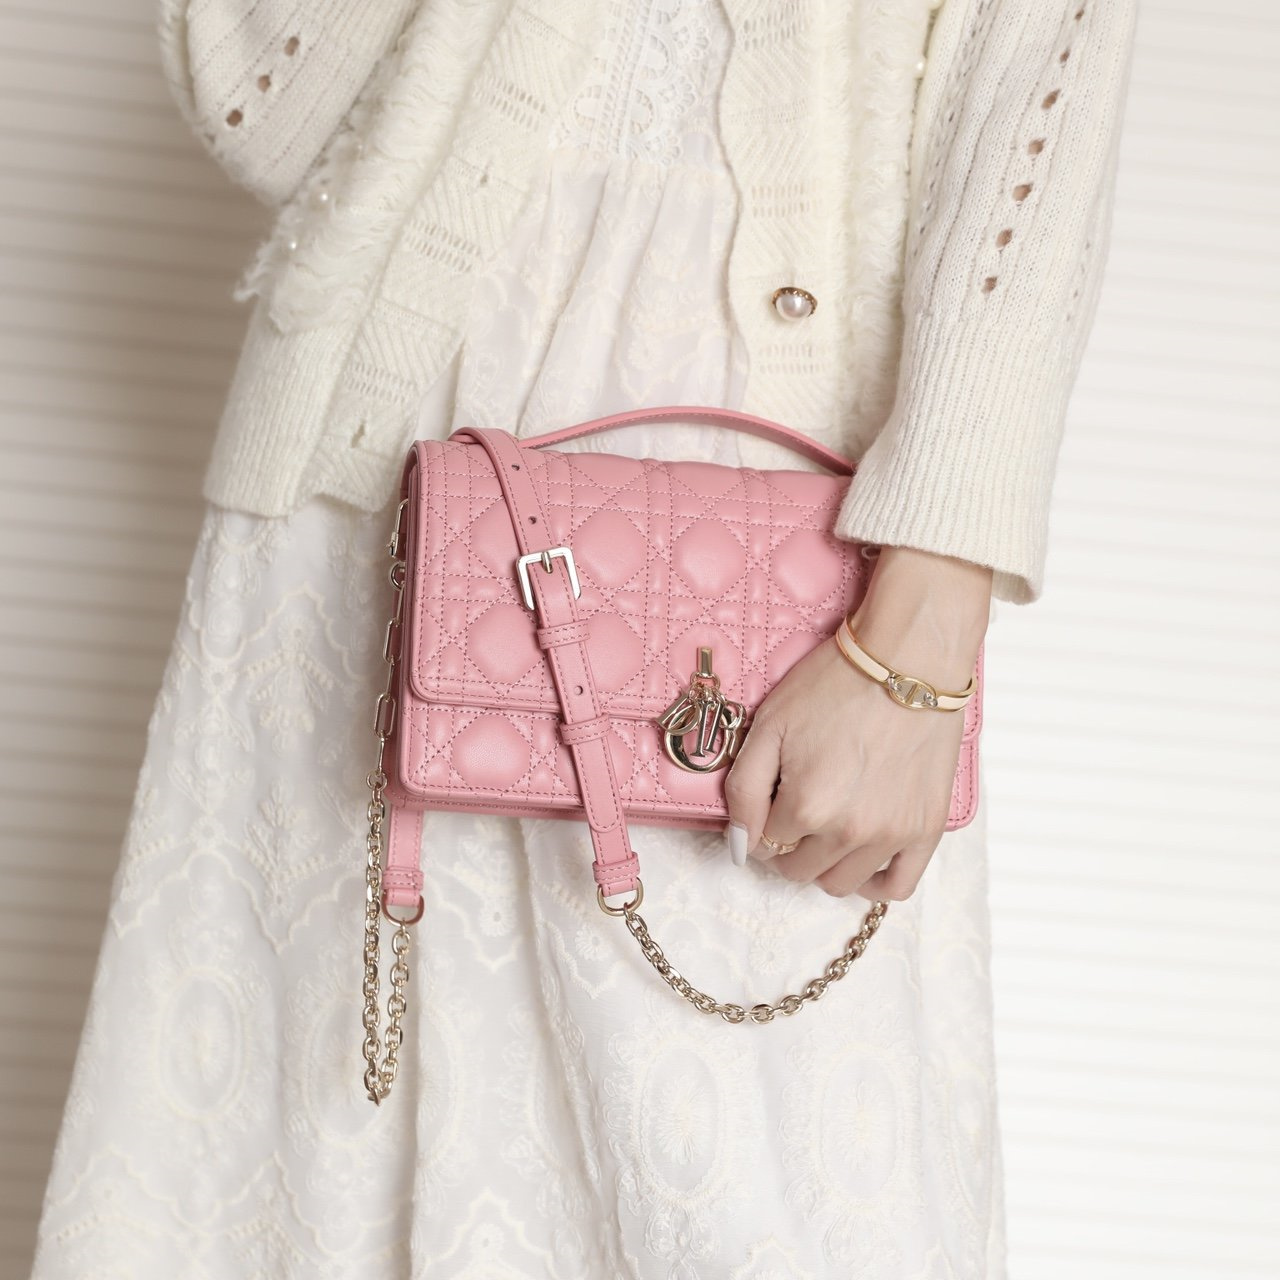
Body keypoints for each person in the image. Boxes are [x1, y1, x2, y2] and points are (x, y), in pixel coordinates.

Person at [29, 1, 1137, 1276]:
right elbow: (258, 105)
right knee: (302, 1178)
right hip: (369, 470)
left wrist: (918, 650)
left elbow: (1044, 78)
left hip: (769, 541)